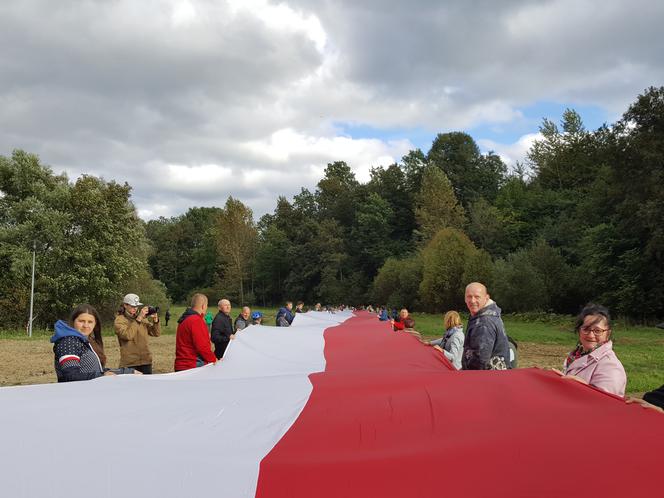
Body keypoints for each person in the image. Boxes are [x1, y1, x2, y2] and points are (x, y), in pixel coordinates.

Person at [51, 304, 137, 382]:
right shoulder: (68, 342)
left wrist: (127, 372)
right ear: (73, 322)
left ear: (95, 324)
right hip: (75, 396)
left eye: (90, 322)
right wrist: (101, 376)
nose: (86, 325)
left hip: (89, 393)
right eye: (81, 321)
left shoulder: (85, 341)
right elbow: (70, 376)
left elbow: (96, 371)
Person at [562, 304, 626, 396]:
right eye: (586, 329)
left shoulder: (611, 366)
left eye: (598, 331)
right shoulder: (575, 355)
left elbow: (607, 404)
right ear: (579, 330)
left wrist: (583, 387)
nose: (591, 335)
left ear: (608, 333)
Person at [462, 282, 510, 370]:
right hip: (497, 374)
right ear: (465, 298)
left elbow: (480, 361)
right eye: (469, 296)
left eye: (477, 297)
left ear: (486, 298)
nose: (472, 301)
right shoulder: (482, 315)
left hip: (488, 378)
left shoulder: (484, 323)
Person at [114, 293, 160, 374]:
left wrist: (156, 320)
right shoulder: (119, 320)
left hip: (146, 361)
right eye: (132, 306)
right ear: (125, 305)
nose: (135, 308)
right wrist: (138, 319)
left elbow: (156, 333)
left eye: (136, 306)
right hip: (130, 363)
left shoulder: (142, 318)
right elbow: (127, 335)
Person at [174, 293, 217, 371]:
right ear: (203, 306)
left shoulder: (184, 319)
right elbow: (202, 347)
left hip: (182, 364)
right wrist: (213, 359)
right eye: (207, 306)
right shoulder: (196, 321)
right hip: (192, 365)